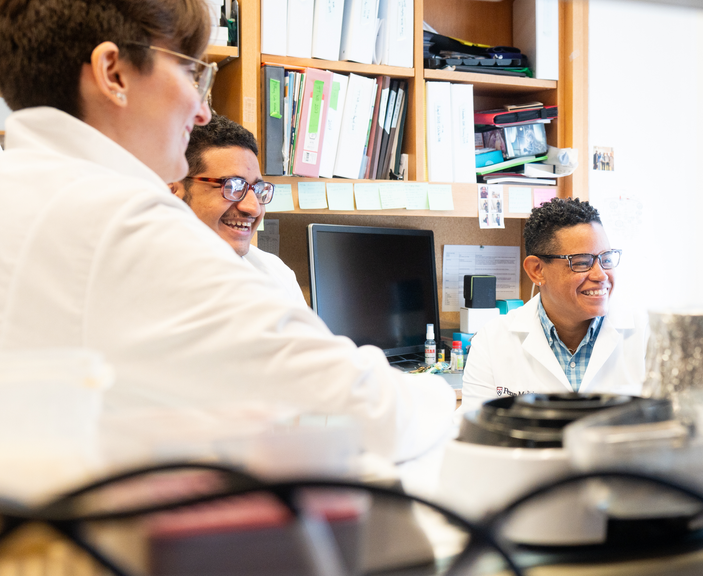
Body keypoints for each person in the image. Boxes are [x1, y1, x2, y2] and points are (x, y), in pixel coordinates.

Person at [0, 0, 453, 464]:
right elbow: (371, 414)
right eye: (191, 73)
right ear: (113, 72)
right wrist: (442, 400)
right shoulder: (122, 222)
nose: (200, 111)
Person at [461, 198, 648, 412]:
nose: (600, 274)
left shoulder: (647, 335)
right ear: (537, 270)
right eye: (581, 262)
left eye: (606, 258)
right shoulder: (491, 341)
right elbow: (474, 432)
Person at [170, 114, 305, 305]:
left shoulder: (278, 276)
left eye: (258, 190)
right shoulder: (137, 281)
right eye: (232, 186)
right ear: (173, 190)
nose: (253, 208)